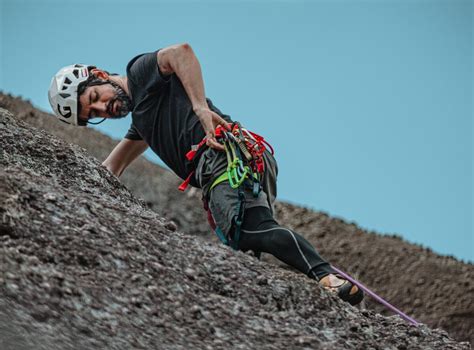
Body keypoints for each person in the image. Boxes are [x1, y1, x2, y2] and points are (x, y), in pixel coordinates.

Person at [48, 43, 363, 305]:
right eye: (95, 115)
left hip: (219, 157)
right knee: (248, 248)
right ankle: (305, 292)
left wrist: (199, 106)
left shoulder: (140, 73)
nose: (104, 109)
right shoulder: (144, 119)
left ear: (99, 75)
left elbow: (180, 53)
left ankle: (326, 276)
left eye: (94, 99)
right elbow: (111, 169)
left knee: (249, 232)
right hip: (241, 155)